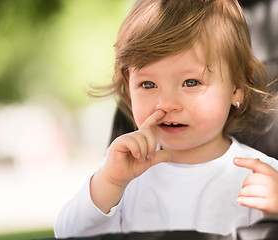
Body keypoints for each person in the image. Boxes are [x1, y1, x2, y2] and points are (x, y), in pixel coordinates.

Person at [54, 0, 278, 238]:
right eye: (148, 84)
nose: (166, 104)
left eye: (191, 82)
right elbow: (67, 233)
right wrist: (109, 183)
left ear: (236, 87)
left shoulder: (264, 177)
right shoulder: (123, 175)